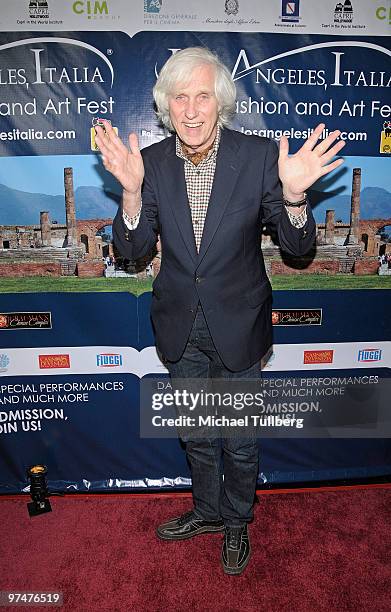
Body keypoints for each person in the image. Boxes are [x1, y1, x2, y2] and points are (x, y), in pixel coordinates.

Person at [95, 47, 345, 575]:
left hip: (239, 322)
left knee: (239, 437)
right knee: (197, 433)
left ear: (220, 102)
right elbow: (133, 251)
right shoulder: (154, 163)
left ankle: (236, 522)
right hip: (180, 322)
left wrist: (296, 198)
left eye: (202, 96)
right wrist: (133, 194)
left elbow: (299, 251)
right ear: (165, 106)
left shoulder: (256, 157)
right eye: (180, 97)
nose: (191, 110)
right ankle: (207, 511)